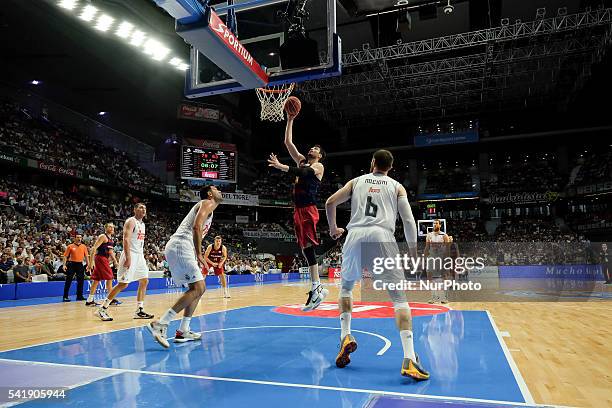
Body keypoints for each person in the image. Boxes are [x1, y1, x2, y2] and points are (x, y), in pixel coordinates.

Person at [325, 149, 429, 381]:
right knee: (399, 299)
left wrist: (334, 229)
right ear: (390, 167)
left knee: (346, 289)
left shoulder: (356, 181)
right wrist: (412, 252)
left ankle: (346, 336)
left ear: (372, 163)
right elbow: (409, 220)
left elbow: (330, 202)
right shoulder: (397, 186)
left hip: (354, 235)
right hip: (381, 235)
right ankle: (410, 358)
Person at [147, 186, 223, 348]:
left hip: (181, 246)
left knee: (197, 289)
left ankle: (183, 330)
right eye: (216, 189)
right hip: (182, 245)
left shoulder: (210, 208)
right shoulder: (208, 202)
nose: (219, 191)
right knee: (199, 287)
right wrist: (199, 253)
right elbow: (196, 226)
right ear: (210, 194)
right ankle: (161, 323)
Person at [267, 116, 328, 311]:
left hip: (309, 209)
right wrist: (290, 119)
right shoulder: (302, 161)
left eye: (316, 150)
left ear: (320, 156)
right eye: (312, 148)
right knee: (304, 248)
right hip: (297, 210)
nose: (312, 150)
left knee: (309, 247)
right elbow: (288, 142)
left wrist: (281, 166)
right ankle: (316, 288)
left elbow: (302, 174)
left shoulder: (318, 167)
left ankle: (316, 287)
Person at [95, 203, 154, 321]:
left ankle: (139, 310)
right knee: (123, 284)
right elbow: (126, 239)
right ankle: (102, 308)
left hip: (139, 255)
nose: (143, 210)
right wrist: (128, 257)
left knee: (144, 280)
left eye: (145, 208)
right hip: (130, 254)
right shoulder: (131, 221)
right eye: (140, 207)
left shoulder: (142, 224)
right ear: (134, 209)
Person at [86, 223, 119, 307]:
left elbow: (111, 252)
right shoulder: (103, 236)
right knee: (110, 277)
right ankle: (110, 298)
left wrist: (115, 261)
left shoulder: (111, 239)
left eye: (113, 227)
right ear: (105, 228)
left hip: (104, 259)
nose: (112, 228)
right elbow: (93, 248)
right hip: (100, 258)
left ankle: (89, 300)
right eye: (109, 227)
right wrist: (90, 262)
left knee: (96, 280)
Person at [424, 220, 450, 304]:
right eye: (434, 223)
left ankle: (444, 297)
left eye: (436, 223)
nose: (435, 225)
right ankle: (434, 297)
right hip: (431, 258)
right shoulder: (429, 235)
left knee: (444, 277)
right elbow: (427, 247)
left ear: (440, 225)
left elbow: (447, 248)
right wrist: (424, 257)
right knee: (430, 277)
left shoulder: (444, 235)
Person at [62, 234, 89, 302]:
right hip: (71, 264)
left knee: (81, 281)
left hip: (80, 264)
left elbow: (86, 256)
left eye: (80, 237)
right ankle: (65, 296)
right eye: (77, 237)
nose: (79, 238)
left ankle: (79, 296)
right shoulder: (70, 246)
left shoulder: (84, 246)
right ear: (75, 238)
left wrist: (89, 265)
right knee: (68, 280)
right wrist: (64, 265)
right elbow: (65, 256)